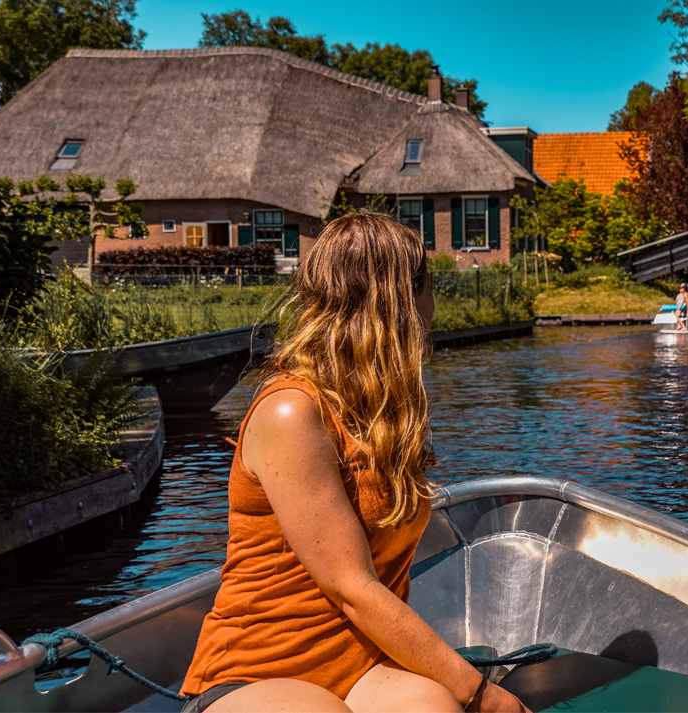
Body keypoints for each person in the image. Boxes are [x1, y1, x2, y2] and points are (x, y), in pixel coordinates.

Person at [179, 214, 528, 713]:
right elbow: (352, 589)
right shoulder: (292, 411)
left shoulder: (381, 413)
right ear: (408, 299)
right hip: (257, 673)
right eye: (430, 285)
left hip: (362, 666)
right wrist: (483, 695)